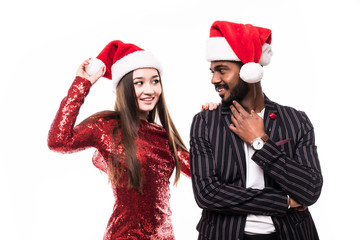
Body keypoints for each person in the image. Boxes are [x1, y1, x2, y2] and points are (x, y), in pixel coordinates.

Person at [48, 40, 210, 239]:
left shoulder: (164, 137)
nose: (150, 90)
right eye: (139, 82)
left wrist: (212, 123)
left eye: (155, 81)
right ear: (124, 87)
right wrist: (82, 85)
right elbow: (59, 141)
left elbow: (203, 172)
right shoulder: (106, 126)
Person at [189, 21, 323, 240]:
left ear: (249, 72)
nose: (214, 79)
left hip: (291, 234)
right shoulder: (205, 122)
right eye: (212, 71)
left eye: (222, 70)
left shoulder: (296, 120)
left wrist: (260, 142)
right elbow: (208, 193)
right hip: (225, 234)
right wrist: (284, 201)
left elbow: (310, 190)